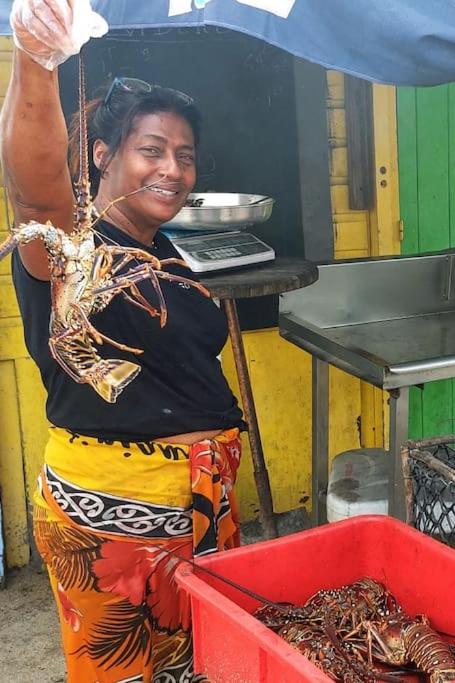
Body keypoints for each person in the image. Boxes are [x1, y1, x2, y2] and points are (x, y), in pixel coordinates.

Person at [3, 2, 246, 680]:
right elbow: (33, 191)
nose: (172, 168)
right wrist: (35, 61)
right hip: (113, 522)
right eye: (152, 150)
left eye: (185, 156)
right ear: (103, 154)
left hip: (197, 504)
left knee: (200, 663)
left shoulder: (162, 249)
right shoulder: (74, 245)